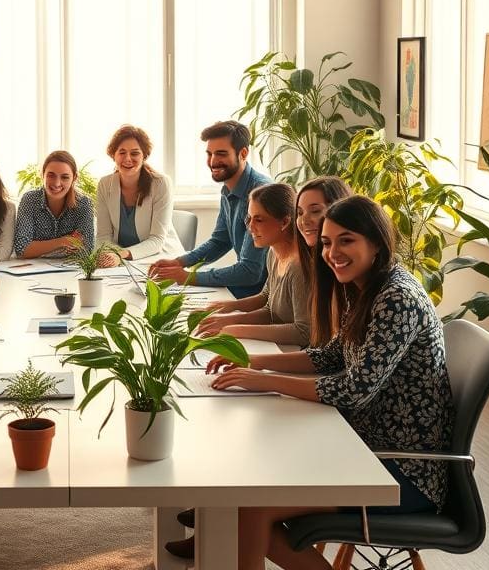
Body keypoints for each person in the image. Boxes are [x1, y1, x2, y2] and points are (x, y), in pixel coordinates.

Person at [189, 196, 454, 569]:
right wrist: (249, 360)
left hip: (399, 471)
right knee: (249, 474)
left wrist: (264, 380)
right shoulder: (365, 286)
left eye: (346, 241)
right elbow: (329, 357)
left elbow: (354, 390)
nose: (332, 252)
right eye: (327, 242)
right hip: (360, 445)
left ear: (376, 242)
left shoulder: (396, 298)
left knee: (246, 509)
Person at [150, 121, 270, 296]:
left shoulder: (261, 193)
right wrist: (178, 263)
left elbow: (250, 272)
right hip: (243, 289)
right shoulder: (228, 188)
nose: (213, 161)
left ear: (243, 153)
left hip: (258, 296)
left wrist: (188, 278)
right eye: (209, 154)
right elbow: (220, 241)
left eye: (221, 154)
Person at [194, 183, 310, 347]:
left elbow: (304, 333)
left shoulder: (299, 268)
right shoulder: (273, 253)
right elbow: (268, 303)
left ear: (284, 222)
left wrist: (236, 329)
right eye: (249, 219)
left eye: (259, 219)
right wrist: (227, 313)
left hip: (298, 355)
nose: (250, 228)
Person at [95, 125, 183, 266]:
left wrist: (120, 255)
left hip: (158, 258)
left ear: (144, 156)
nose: (128, 159)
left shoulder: (161, 183)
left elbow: (157, 240)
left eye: (135, 153)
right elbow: (103, 236)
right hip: (120, 262)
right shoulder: (105, 184)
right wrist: (113, 256)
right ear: (114, 155)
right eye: (122, 152)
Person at [295, 176, 353, 344]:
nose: (304, 220)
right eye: (299, 213)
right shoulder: (320, 265)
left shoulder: (348, 270)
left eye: (315, 211)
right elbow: (330, 353)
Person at [12, 150, 94, 258]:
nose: (56, 183)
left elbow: (85, 249)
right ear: (42, 175)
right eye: (51, 175)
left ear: (74, 178)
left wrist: (37, 247)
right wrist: (64, 241)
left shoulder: (83, 203)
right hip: (33, 270)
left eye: (65, 177)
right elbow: (21, 249)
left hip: (70, 271)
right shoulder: (30, 200)